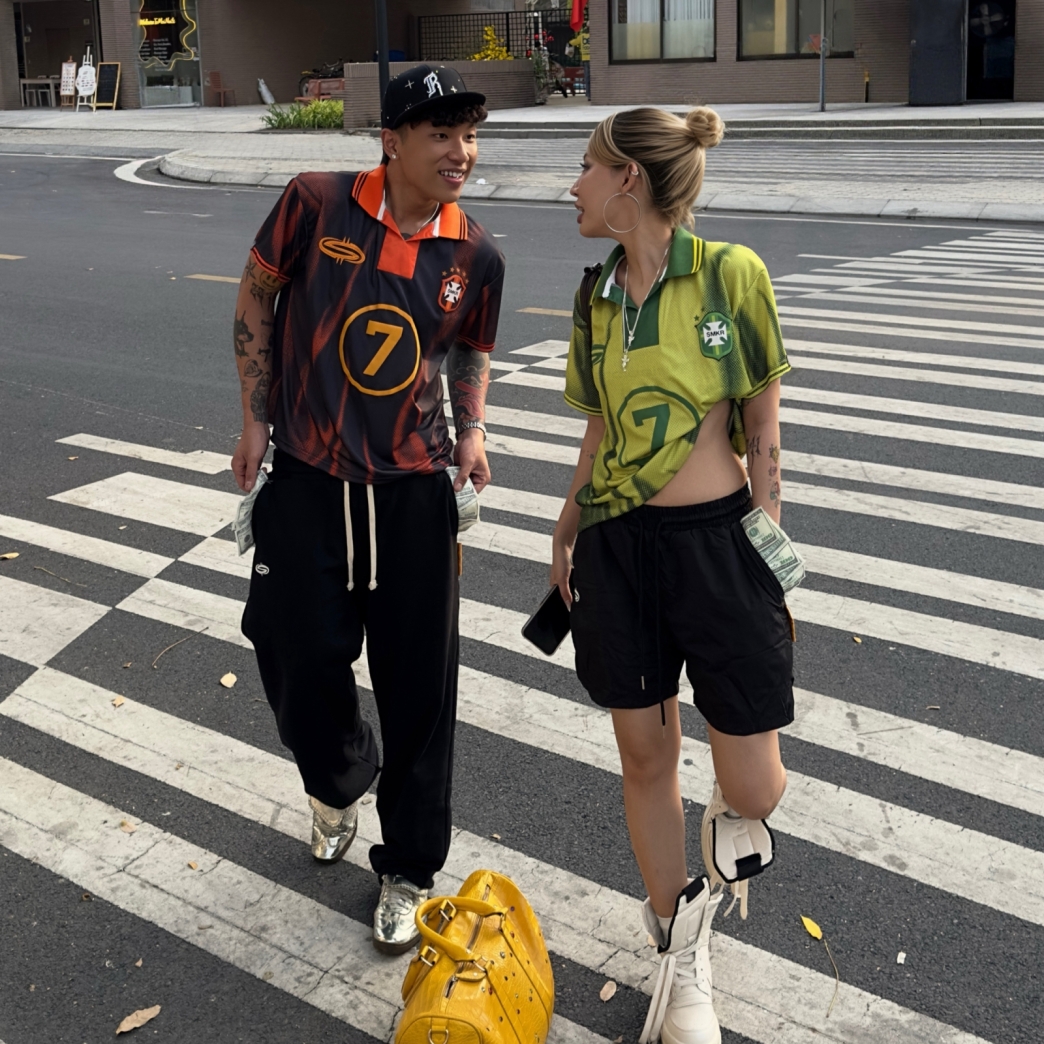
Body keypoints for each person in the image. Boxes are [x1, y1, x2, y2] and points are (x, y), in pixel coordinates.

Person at [230, 64, 504, 955]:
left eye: (470, 135)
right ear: (391, 141)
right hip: (308, 478)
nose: (461, 152)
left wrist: (472, 431)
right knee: (289, 648)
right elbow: (257, 294)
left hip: (414, 493)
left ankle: (410, 868)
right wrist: (254, 418)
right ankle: (339, 778)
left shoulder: (475, 255)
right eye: (441, 134)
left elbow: (470, 352)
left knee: (421, 689)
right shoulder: (315, 204)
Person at [551, 107, 794, 1044]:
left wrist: (768, 548)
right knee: (645, 758)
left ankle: (732, 810)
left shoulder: (731, 274)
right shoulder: (595, 295)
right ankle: (679, 952)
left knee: (758, 790)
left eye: (586, 167)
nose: (573, 186)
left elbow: (763, 426)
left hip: (719, 547)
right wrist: (568, 522)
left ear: (629, 180)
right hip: (619, 547)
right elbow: (600, 426)